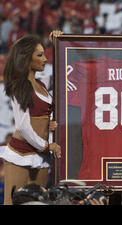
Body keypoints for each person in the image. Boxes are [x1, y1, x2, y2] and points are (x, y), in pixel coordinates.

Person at [0, 34, 61, 205]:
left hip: (41, 155)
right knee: (13, 202)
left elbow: (63, 73)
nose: (45, 59)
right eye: (40, 55)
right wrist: (47, 146)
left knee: (38, 202)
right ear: (27, 58)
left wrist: (59, 43)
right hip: (21, 152)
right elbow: (23, 127)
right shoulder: (18, 85)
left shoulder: (42, 84)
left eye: (45, 54)